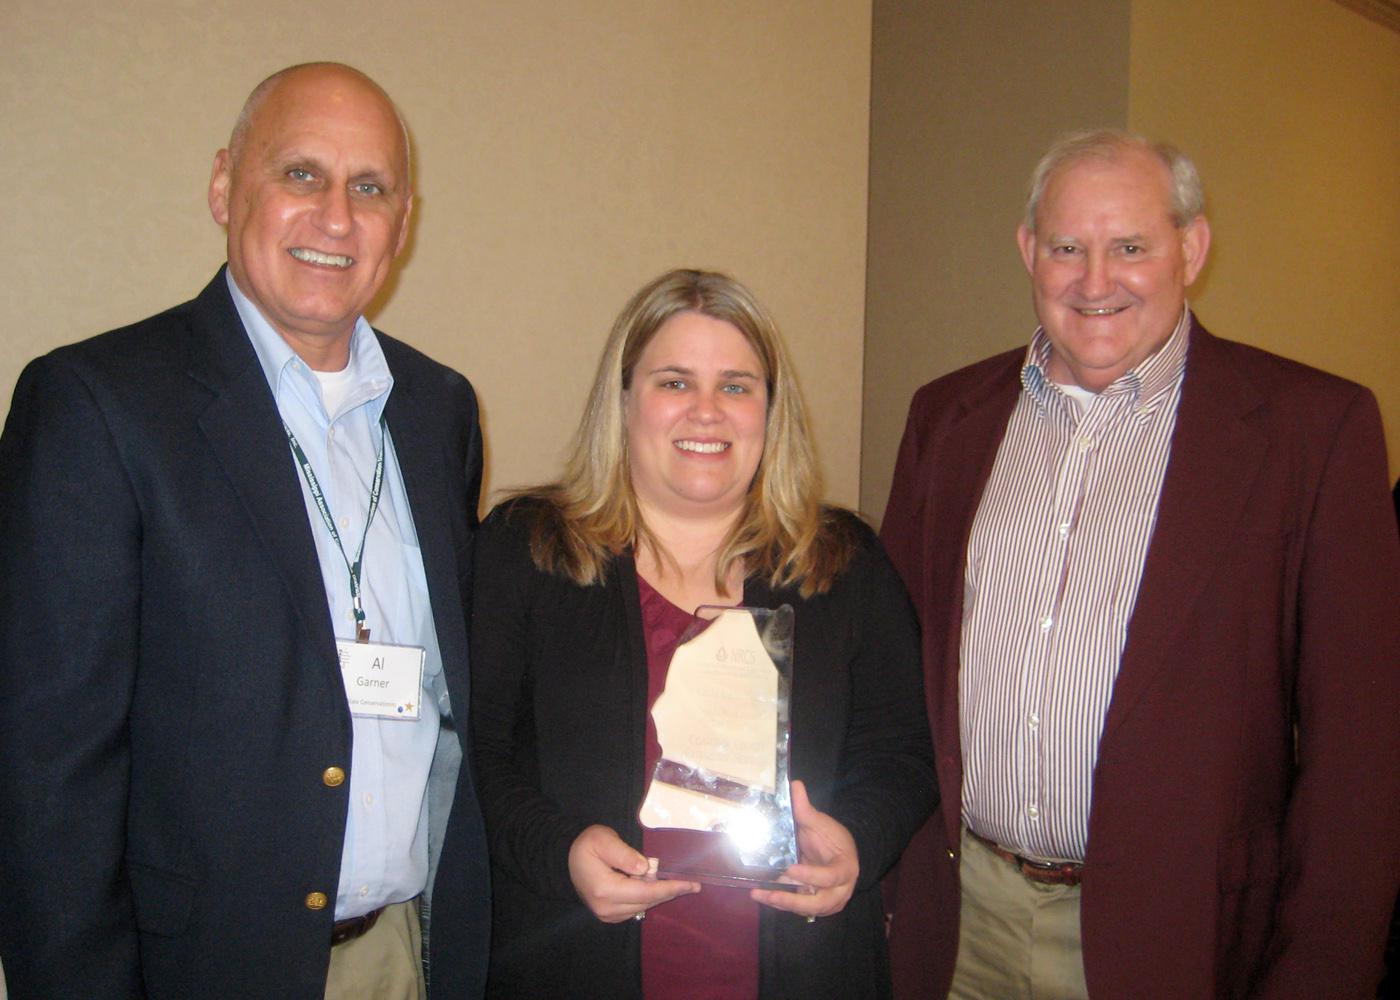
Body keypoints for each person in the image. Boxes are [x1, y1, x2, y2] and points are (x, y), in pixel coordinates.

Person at [0, 63, 489, 999]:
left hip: (408, 955)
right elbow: (45, 778)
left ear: (405, 218)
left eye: (370, 187)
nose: (337, 217)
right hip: (202, 967)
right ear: (226, 185)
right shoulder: (99, 406)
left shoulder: (440, 412)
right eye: (301, 174)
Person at [880, 129, 1400, 999]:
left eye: (1130, 247)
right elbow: (894, 676)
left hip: (1175, 940)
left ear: (1191, 249)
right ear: (1027, 252)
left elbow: (1360, 758)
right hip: (959, 925)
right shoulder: (948, 417)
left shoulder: (1313, 431)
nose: (1095, 281)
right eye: (1067, 248)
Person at [468, 268, 937, 998]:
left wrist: (859, 842)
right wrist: (558, 850)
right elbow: (474, 754)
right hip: (573, 960)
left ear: (771, 409)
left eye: (738, 386)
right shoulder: (528, 551)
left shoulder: (842, 564)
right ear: (624, 400)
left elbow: (906, 750)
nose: (707, 413)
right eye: (675, 382)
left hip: (800, 964)